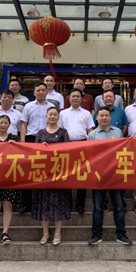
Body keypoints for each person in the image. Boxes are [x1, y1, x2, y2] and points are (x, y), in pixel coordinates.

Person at [87, 107, 132, 245]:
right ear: (97, 118)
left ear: (110, 117)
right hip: (99, 176)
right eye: (101, 115)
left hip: (115, 175)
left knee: (118, 206)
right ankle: (96, 234)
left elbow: (123, 150)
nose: (104, 118)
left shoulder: (118, 132)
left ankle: (121, 234)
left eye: (106, 115)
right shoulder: (92, 135)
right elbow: (89, 155)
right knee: (98, 207)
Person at [32, 107, 71, 246]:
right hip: (44, 173)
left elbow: (68, 150)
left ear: (58, 117)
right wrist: (42, 147)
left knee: (59, 203)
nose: (53, 116)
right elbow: (33, 151)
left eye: (55, 114)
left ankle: (58, 233)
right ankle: (45, 233)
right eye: (50, 114)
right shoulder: (40, 133)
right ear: (46, 116)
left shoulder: (63, 132)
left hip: (59, 173)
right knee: (44, 203)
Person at [19, 83, 54, 213]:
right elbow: (23, 125)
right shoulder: (28, 106)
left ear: (47, 92)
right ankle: (27, 203)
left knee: (46, 171)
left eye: (43, 90)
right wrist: (23, 142)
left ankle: (44, 202)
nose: (40, 92)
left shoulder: (52, 107)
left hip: (47, 140)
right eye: (38, 90)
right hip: (30, 140)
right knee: (28, 171)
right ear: (34, 93)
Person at [0, 115, 21, 245]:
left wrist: (15, 146)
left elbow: (22, 155)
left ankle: (5, 232)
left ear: (9, 125)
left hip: (10, 176)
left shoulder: (15, 139)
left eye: (6, 123)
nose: (3, 125)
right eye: (1, 123)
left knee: (7, 204)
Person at [58, 88, 95, 213]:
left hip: (82, 145)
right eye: (73, 96)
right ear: (69, 98)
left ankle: (80, 205)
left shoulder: (87, 113)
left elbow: (90, 130)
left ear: (81, 99)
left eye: (77, 96)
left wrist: (90, 146)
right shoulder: (63, 113)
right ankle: (67, 204)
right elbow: (60, 130)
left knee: (81, 175)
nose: (75, 98)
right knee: (67, 175)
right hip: (66, 146)